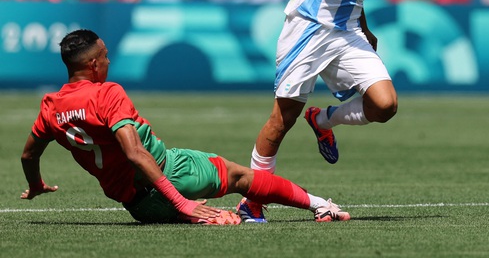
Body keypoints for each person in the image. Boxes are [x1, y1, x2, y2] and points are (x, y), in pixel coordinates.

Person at [237, 0, 432, 223]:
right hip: (309, 26)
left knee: (385, 104)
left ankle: (324, 120)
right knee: (281, 120)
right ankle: (252, 201)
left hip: (346, 31)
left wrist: (366, 27)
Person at [20, 29, 350, 225]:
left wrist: (35, 185)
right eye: (104, 57)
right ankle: (320, 204)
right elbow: (135, 153)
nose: (108, 62)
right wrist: (183, 202)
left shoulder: (50, 107)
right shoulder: (106, 93)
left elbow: (28, 155)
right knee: (239, 176)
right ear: (93, 65)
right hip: (173, 174)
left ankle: (189, 214)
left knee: (199, 203)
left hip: (140, 208)